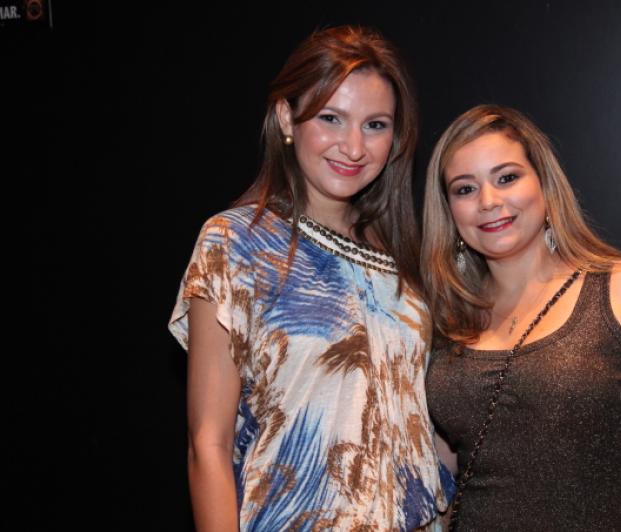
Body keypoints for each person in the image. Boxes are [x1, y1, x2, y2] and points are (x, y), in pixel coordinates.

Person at [169, 26, 452, 531]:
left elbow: (422, 433)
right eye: (330, 118)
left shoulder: (406, 266)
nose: (353, 146)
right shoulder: (236, 243)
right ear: (286, 117)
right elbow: (207, 444)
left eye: (375, 125)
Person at [421, 104, 621, 531]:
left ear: (544, 184)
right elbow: (442, 477)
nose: (488, 202)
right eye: (465, 189)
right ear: (449, 209)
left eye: (507, 178)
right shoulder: (449, 319)